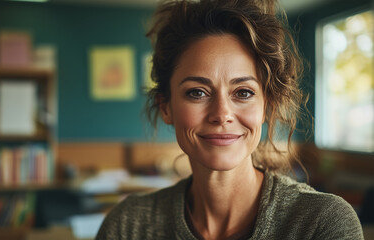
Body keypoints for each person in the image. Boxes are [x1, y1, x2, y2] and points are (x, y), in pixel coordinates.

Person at [96, 0, 364, 239]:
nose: (222, 114)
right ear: (166, 107)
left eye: (243, 92)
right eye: (197, 92)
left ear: (266, 107)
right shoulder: (127, 226)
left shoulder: (323, 224)